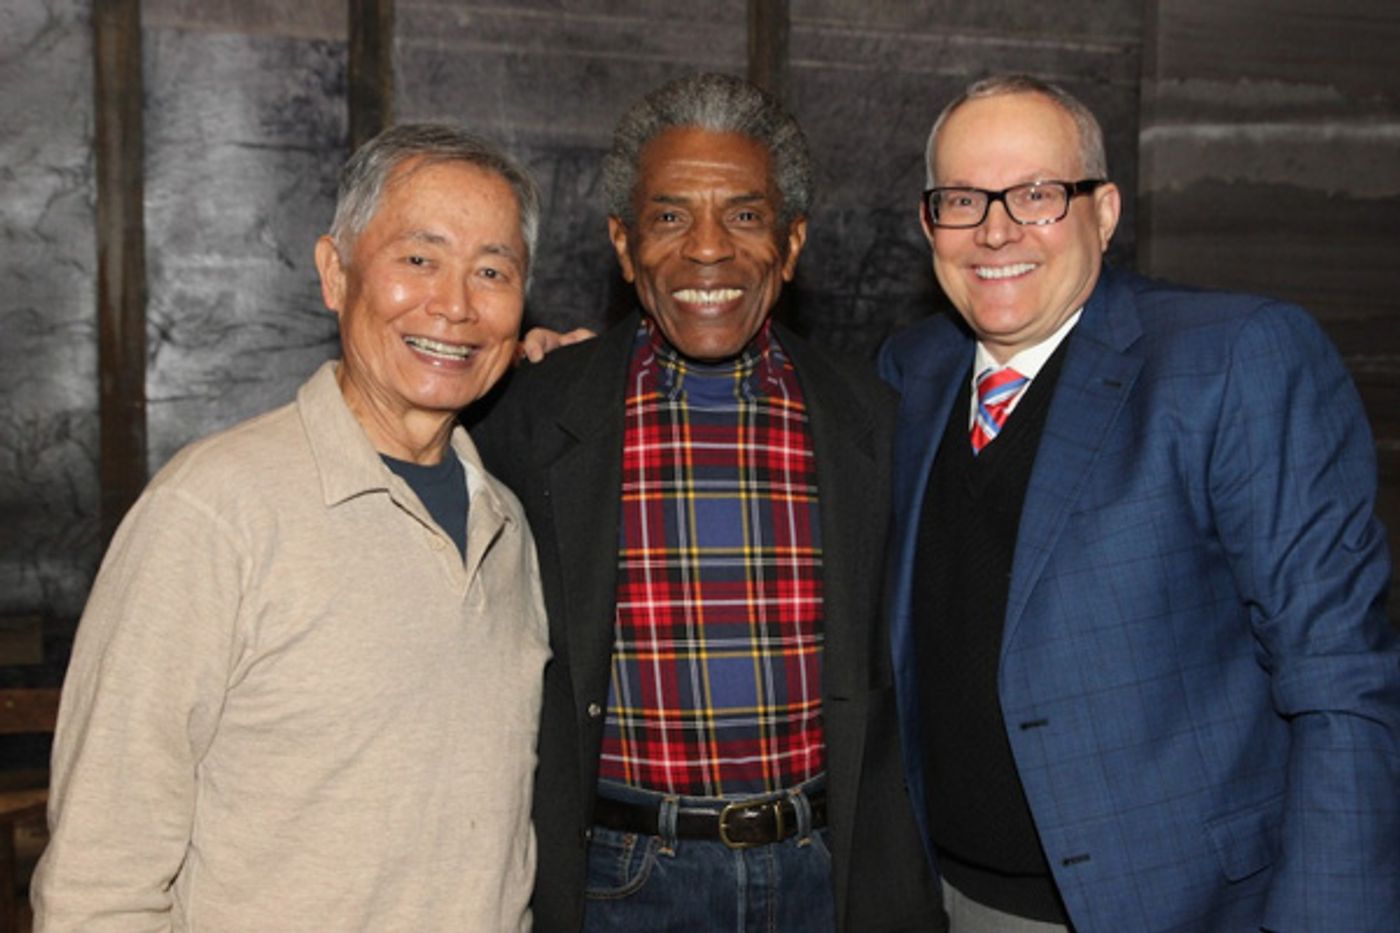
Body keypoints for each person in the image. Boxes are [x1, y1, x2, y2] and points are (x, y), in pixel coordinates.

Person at [879, 73, 1400, 932]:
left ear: (1105, 210)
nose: (996, 228)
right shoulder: (911, 371)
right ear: (929, 221)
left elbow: (1340, 673)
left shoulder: (1233, 359)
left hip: (1173, 904)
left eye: (1038, 194)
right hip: (939, 896)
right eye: (963, 198)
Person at [32, 124, 550, 931]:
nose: (455, 304)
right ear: (335, 274)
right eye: (419, 259)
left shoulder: (507, 526)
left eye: (492, 270)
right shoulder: (211, 512)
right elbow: (100, 879)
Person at [471, 72, 941, 932]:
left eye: (747, 215)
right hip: (622, 878)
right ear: (624, 244)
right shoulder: (529, 414)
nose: (709, 248)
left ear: (791, 245)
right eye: (670, 215)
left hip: (825, 874)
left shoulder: (870, 416)